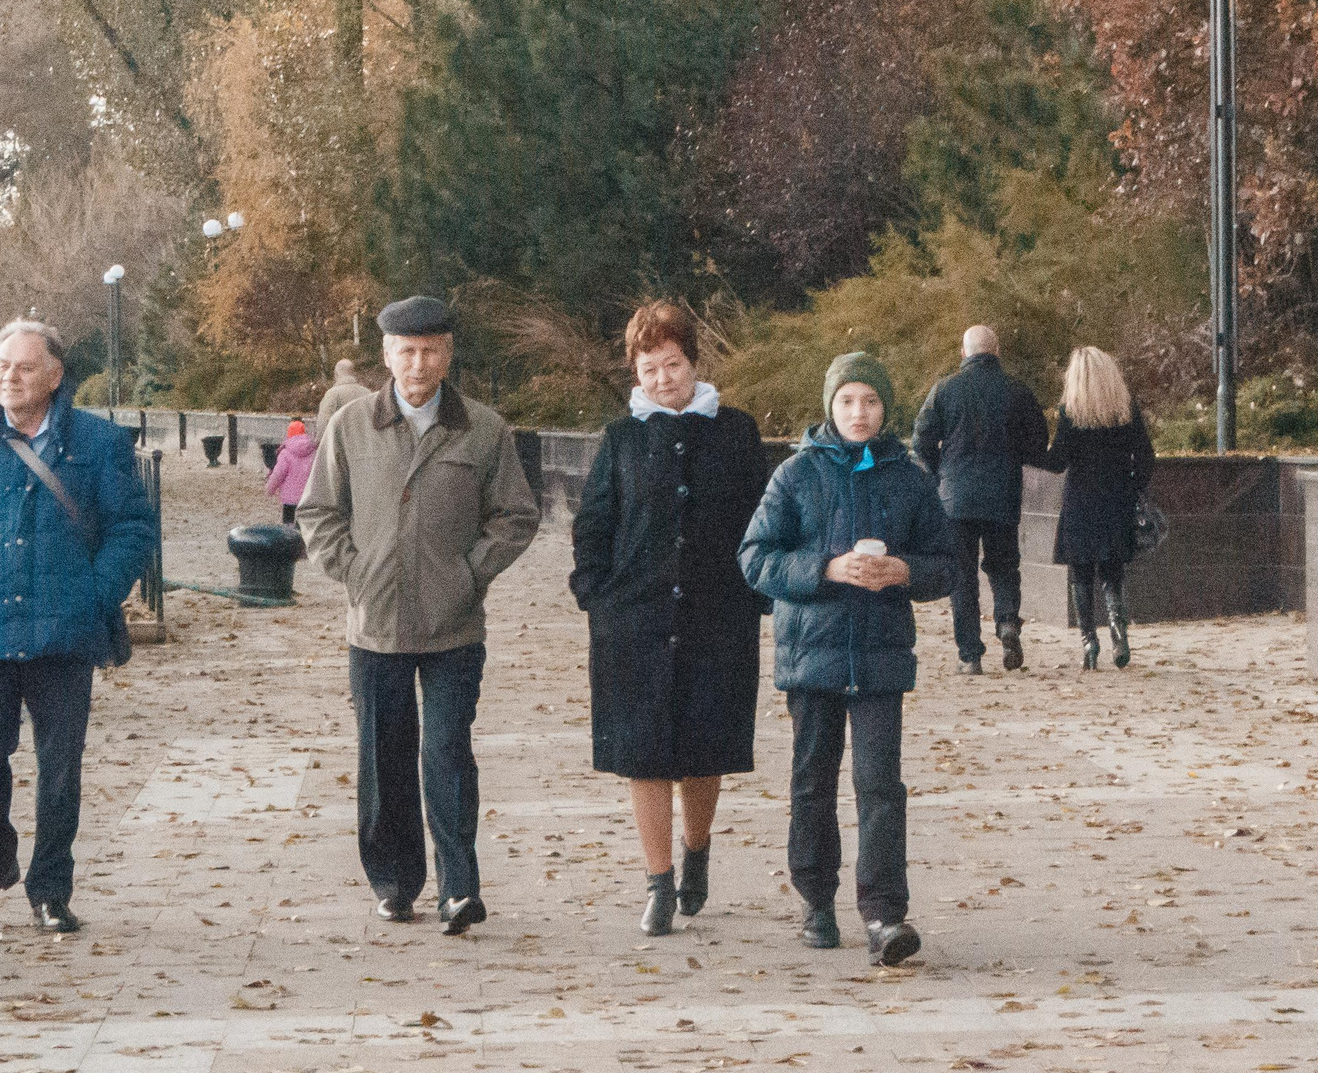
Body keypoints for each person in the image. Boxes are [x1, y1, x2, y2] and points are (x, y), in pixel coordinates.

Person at [297, 296, 540, 934]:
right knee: (385, 754)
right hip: (374, 625)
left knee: (447, 752)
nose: (418, 362)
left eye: (430, 349)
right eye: (406, 350)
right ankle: (396, 882)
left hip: (453, 624)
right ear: (386, 355)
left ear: (448, 353)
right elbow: (317, 511)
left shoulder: (483, 429)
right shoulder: (351, 426)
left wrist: (470, 572)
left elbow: (516, 514)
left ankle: (459, 887)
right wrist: (352, 570)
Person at [0, 318, 156, 934]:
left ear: (54, 376)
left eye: (24, 367)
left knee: (60, 764)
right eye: (1, 366)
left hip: (64, 629)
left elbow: (133, 529)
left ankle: (51, 888)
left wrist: (95, 595)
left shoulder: (99, 444)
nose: (8, 377)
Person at [740, 352, 952, 965]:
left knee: (880, 784)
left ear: (887, 409)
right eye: (848, 401)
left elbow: (945, 565)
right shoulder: (795, 475)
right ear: (829, 406)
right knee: (813, 779)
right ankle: (815, 898)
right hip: (811, 656)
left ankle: (885, 914)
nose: (860, 413)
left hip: (882, 655)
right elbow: (755, 558)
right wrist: (825, 568)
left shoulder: (910, 477)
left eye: (872, 402)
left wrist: (903, 571)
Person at [569, 301, 771, 937]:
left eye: (673, 364)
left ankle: (698, 851)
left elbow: (762, 517)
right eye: (649, 367)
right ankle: (658, 883)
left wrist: (757, 594)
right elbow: (594, 521)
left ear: (693, 364)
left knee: (704, 747)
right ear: (635, 372)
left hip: (718, 615)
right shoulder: (623, 438)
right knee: (645, 753)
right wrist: (596, 593)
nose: (663, 379)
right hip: (635, 620)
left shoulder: (736, 432)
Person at [911, 325, 1049, 674]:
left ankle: (970, 655)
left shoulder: (945, 389)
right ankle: (1006, 622)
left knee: (962, 576)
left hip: (955, 499)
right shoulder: (1017, 392)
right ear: (997, 351)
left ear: (963, 354)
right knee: (1004, 566)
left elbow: (921, 438)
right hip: (1002, 495)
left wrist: (937, 471)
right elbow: (1037, 443)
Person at [1041, 346, 1156, 670]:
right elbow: (1146, 457)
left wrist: (1033, 446)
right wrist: (1132, 487)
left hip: (1080, 502)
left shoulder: (1070, 414)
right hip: (1116, 500)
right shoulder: (1125, 409)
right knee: (1112, 572)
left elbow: (1057, 462)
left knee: (1080, 573)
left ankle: (1089, 643)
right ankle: (1119, 636)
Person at [263, 416, 316, 524]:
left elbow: (278, 474)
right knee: (305, 525)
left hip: (289, 498)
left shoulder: (285, 453)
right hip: (308, 497)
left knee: (288, 525)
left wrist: (270, 489)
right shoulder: (313, 451)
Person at [315, 358, 373, 436]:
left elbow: (323, 422)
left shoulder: (333, 394)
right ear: (353, 373)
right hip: (365, 444)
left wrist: (321, 443)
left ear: (336, 374)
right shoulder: (368, 393)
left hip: (341, 445)